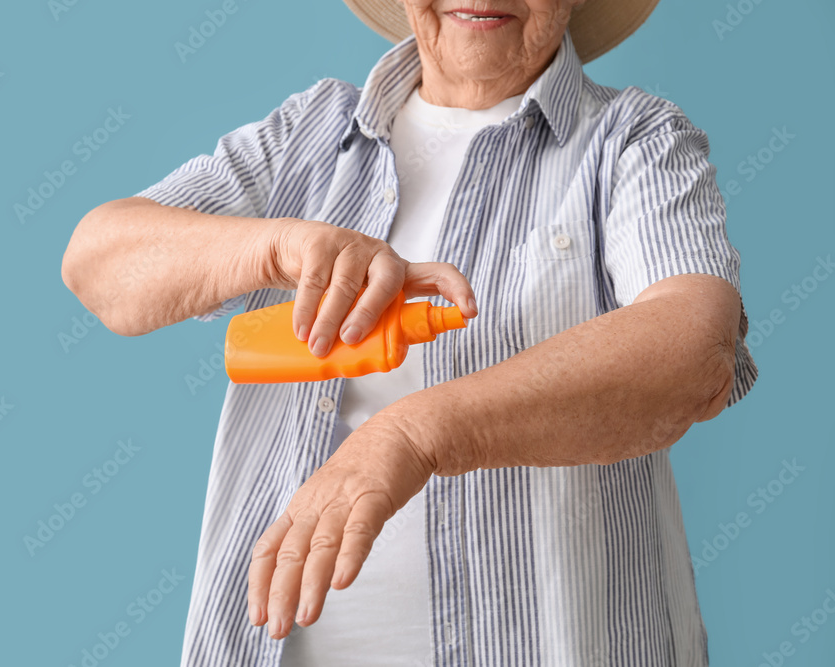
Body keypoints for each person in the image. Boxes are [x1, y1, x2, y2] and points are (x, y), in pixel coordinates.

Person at [60, 0, 758, 664]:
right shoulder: (310, 133)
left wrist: (413, 435)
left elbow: (691, 351)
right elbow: (98, 263)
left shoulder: (637, 140)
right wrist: (279, 248)